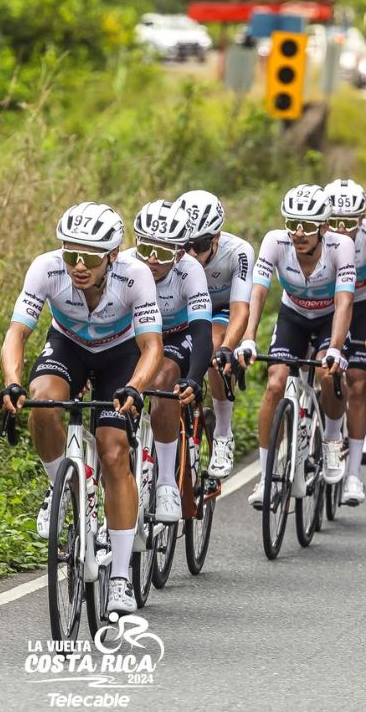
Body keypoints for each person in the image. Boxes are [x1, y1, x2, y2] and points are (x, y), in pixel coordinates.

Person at [0, 203, 163, 616]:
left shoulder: (135, 275)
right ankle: (62, 486)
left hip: (120, 355)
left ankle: (122, 577)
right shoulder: (46, 269)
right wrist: (12, 382)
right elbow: (17, 333)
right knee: (44, 402)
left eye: (89, 257)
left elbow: (152, 347)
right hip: (68, 346)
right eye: (71, 254)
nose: (78, 266)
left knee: (112, 450)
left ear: (112, 255)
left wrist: (135, 387)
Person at [238, 185, 355, 507]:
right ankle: (265, 477)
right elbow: (258, 292)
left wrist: (335, 348)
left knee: (328, 375)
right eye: (292, 224)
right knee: (275, 383)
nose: (298, 233)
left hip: (330, 317)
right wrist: (249, 337)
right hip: (294, 317)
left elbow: (345, 301)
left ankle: (332, 439)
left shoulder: (340, 245)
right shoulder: (275, 242)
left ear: (324, 227)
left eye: (307, 226)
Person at [123, 200, 212, 524]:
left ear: (179, 252)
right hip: (137, 338)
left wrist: (195, 377)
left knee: (163, 383)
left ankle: (165, 484)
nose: (151, 259)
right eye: (146, 247)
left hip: (177, 337)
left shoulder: (191, 271)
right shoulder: (123, 265)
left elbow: (202, 332)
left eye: (162, 253)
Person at [174, 190, 254, 479]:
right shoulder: (172, 253)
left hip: (220, 310)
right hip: (183, 311)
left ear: (217, 237)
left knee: (214, 348)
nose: (191, 253)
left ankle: (222, 435)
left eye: (201, 244)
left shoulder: (239, 251)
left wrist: (228, 348)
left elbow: (242, 310)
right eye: (185, 245)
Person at [324, 178, 366, 506]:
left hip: (362, 305)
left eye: (348, 223)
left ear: (362, 220)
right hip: (327, 305)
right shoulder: (318, 238)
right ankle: (317, 430)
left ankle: (353, 475)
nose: (339, 228)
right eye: (333, 220)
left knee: (360, 383)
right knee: (323, 371)